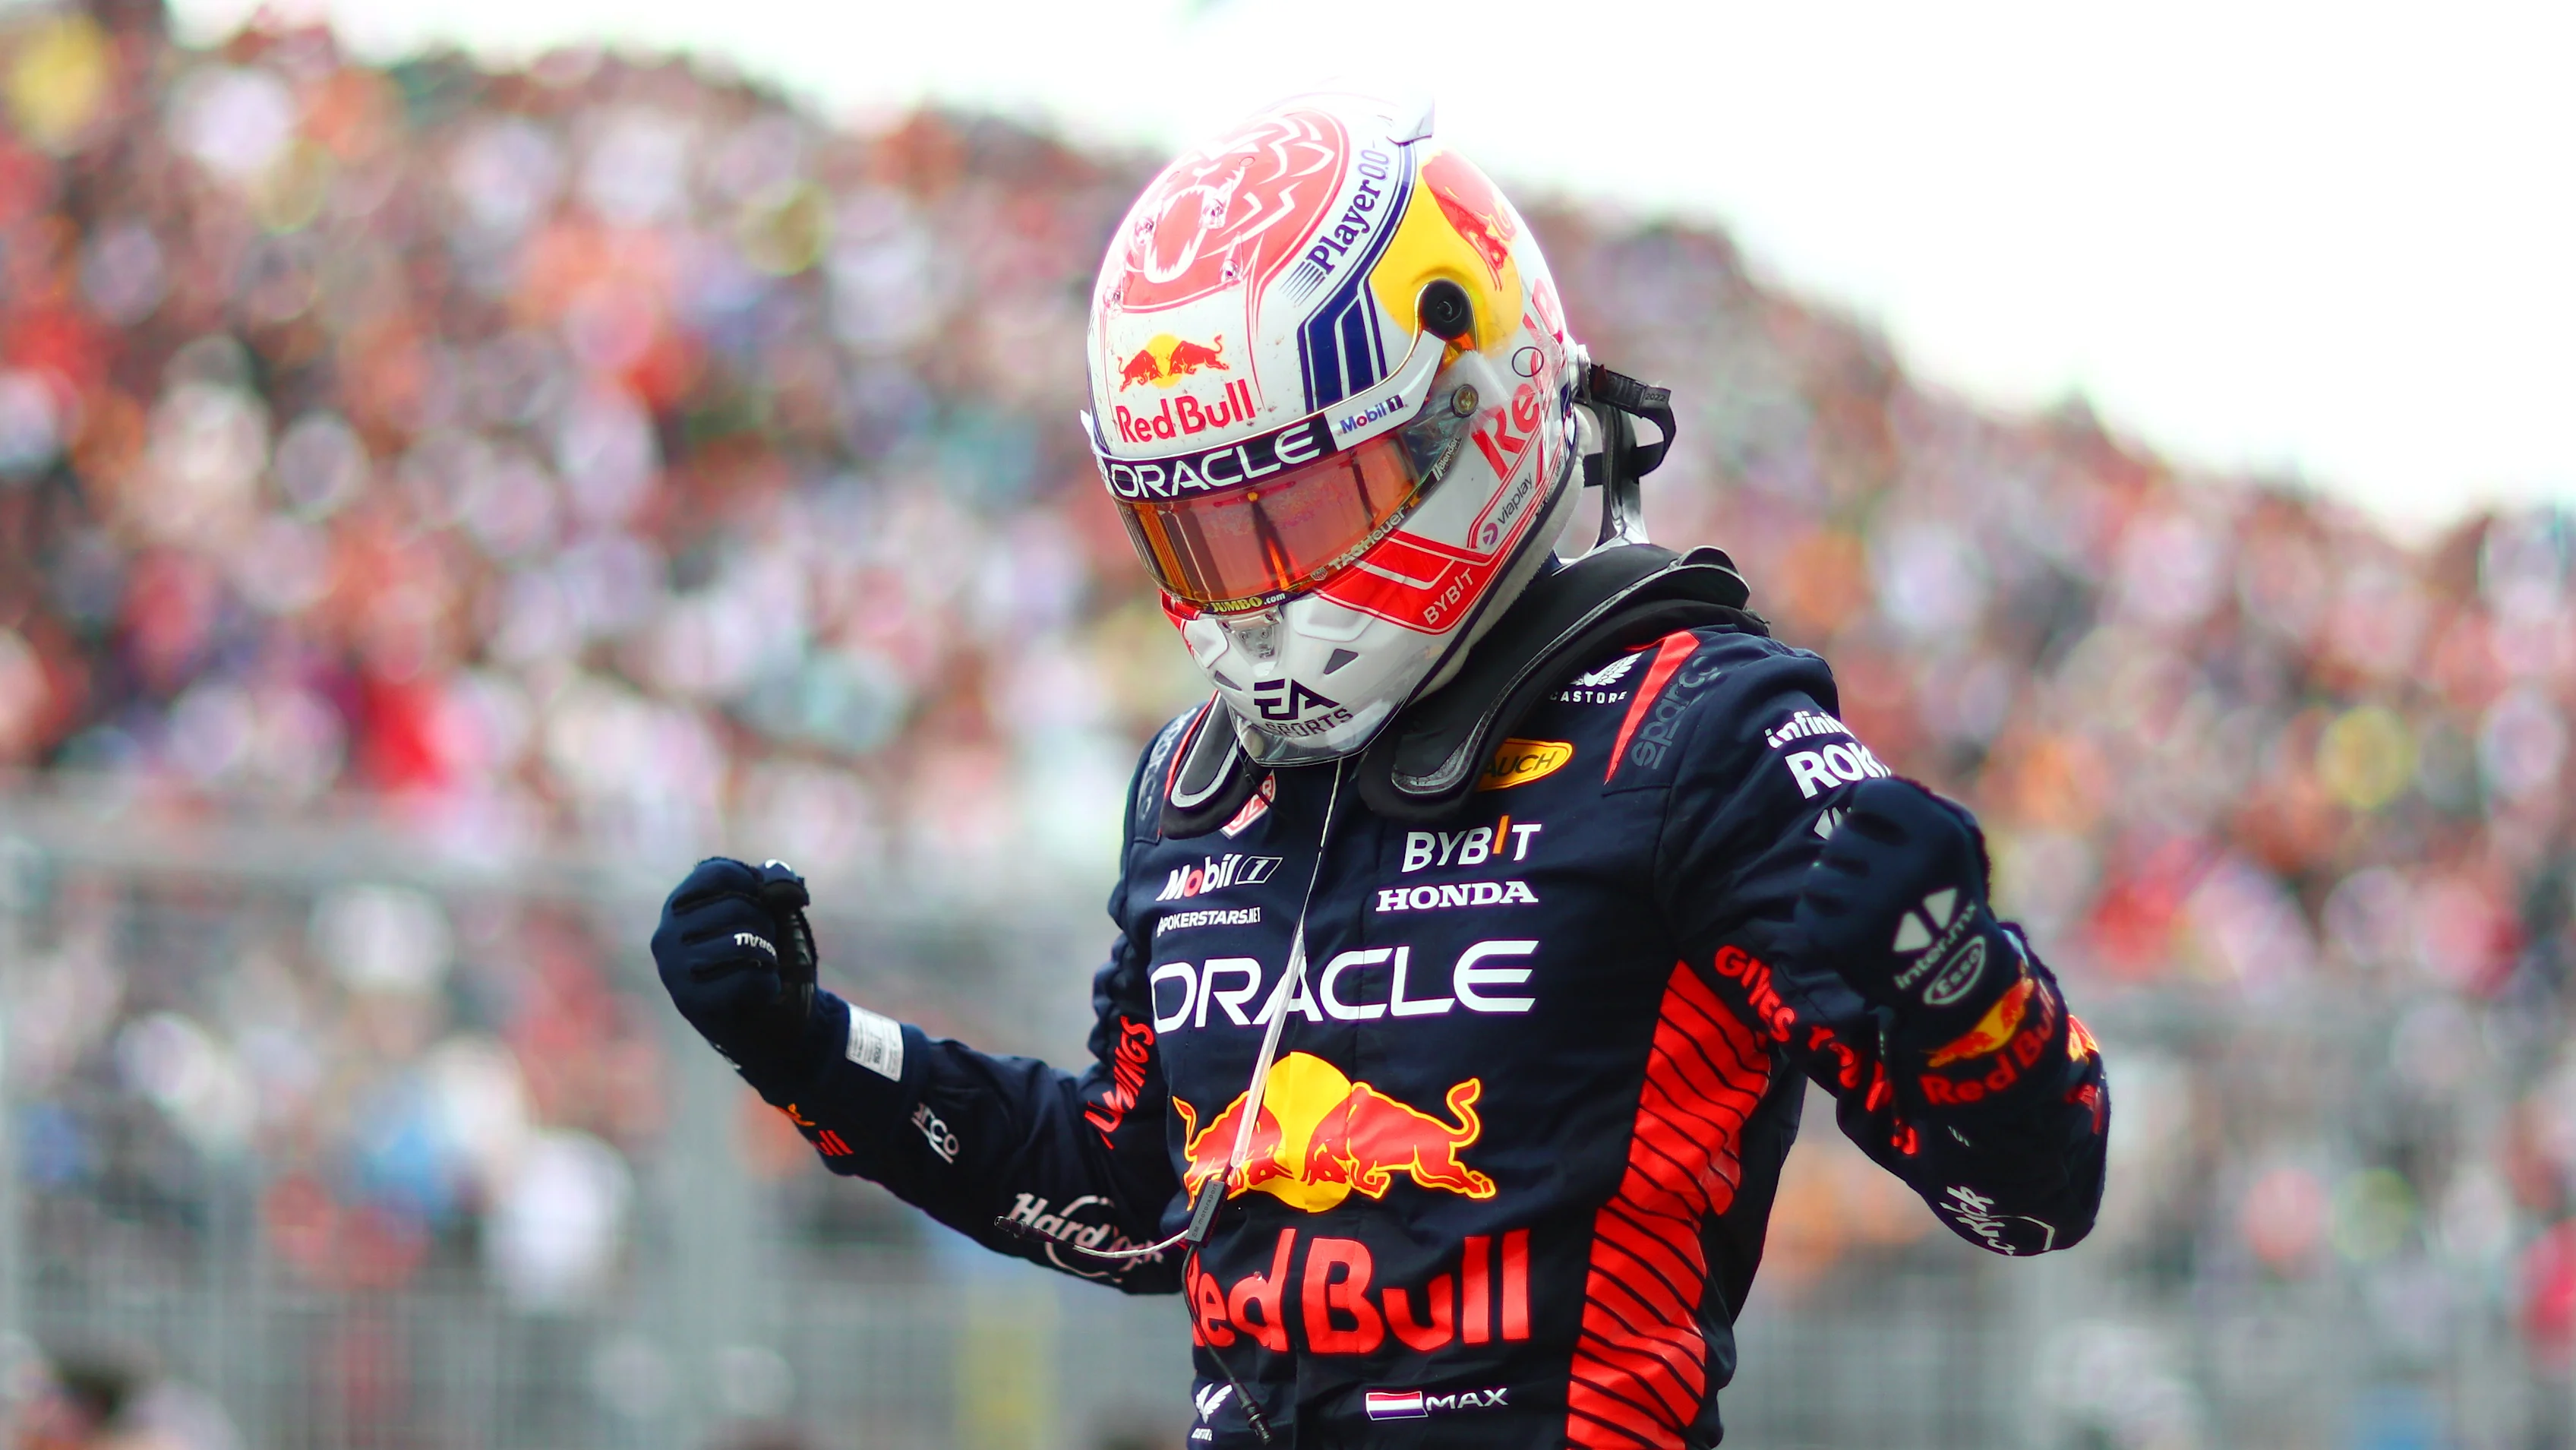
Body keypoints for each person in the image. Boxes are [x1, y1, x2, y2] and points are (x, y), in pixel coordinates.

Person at [653, 93, 2110, 1448]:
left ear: (1468, 412)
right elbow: (1139, 1197)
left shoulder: (1694, 728)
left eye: (1296, 507)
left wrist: (1956, 985)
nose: (1255, 592)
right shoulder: (1191, 784)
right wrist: (815, 1050)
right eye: (1207, 533)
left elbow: (2037, 1197)